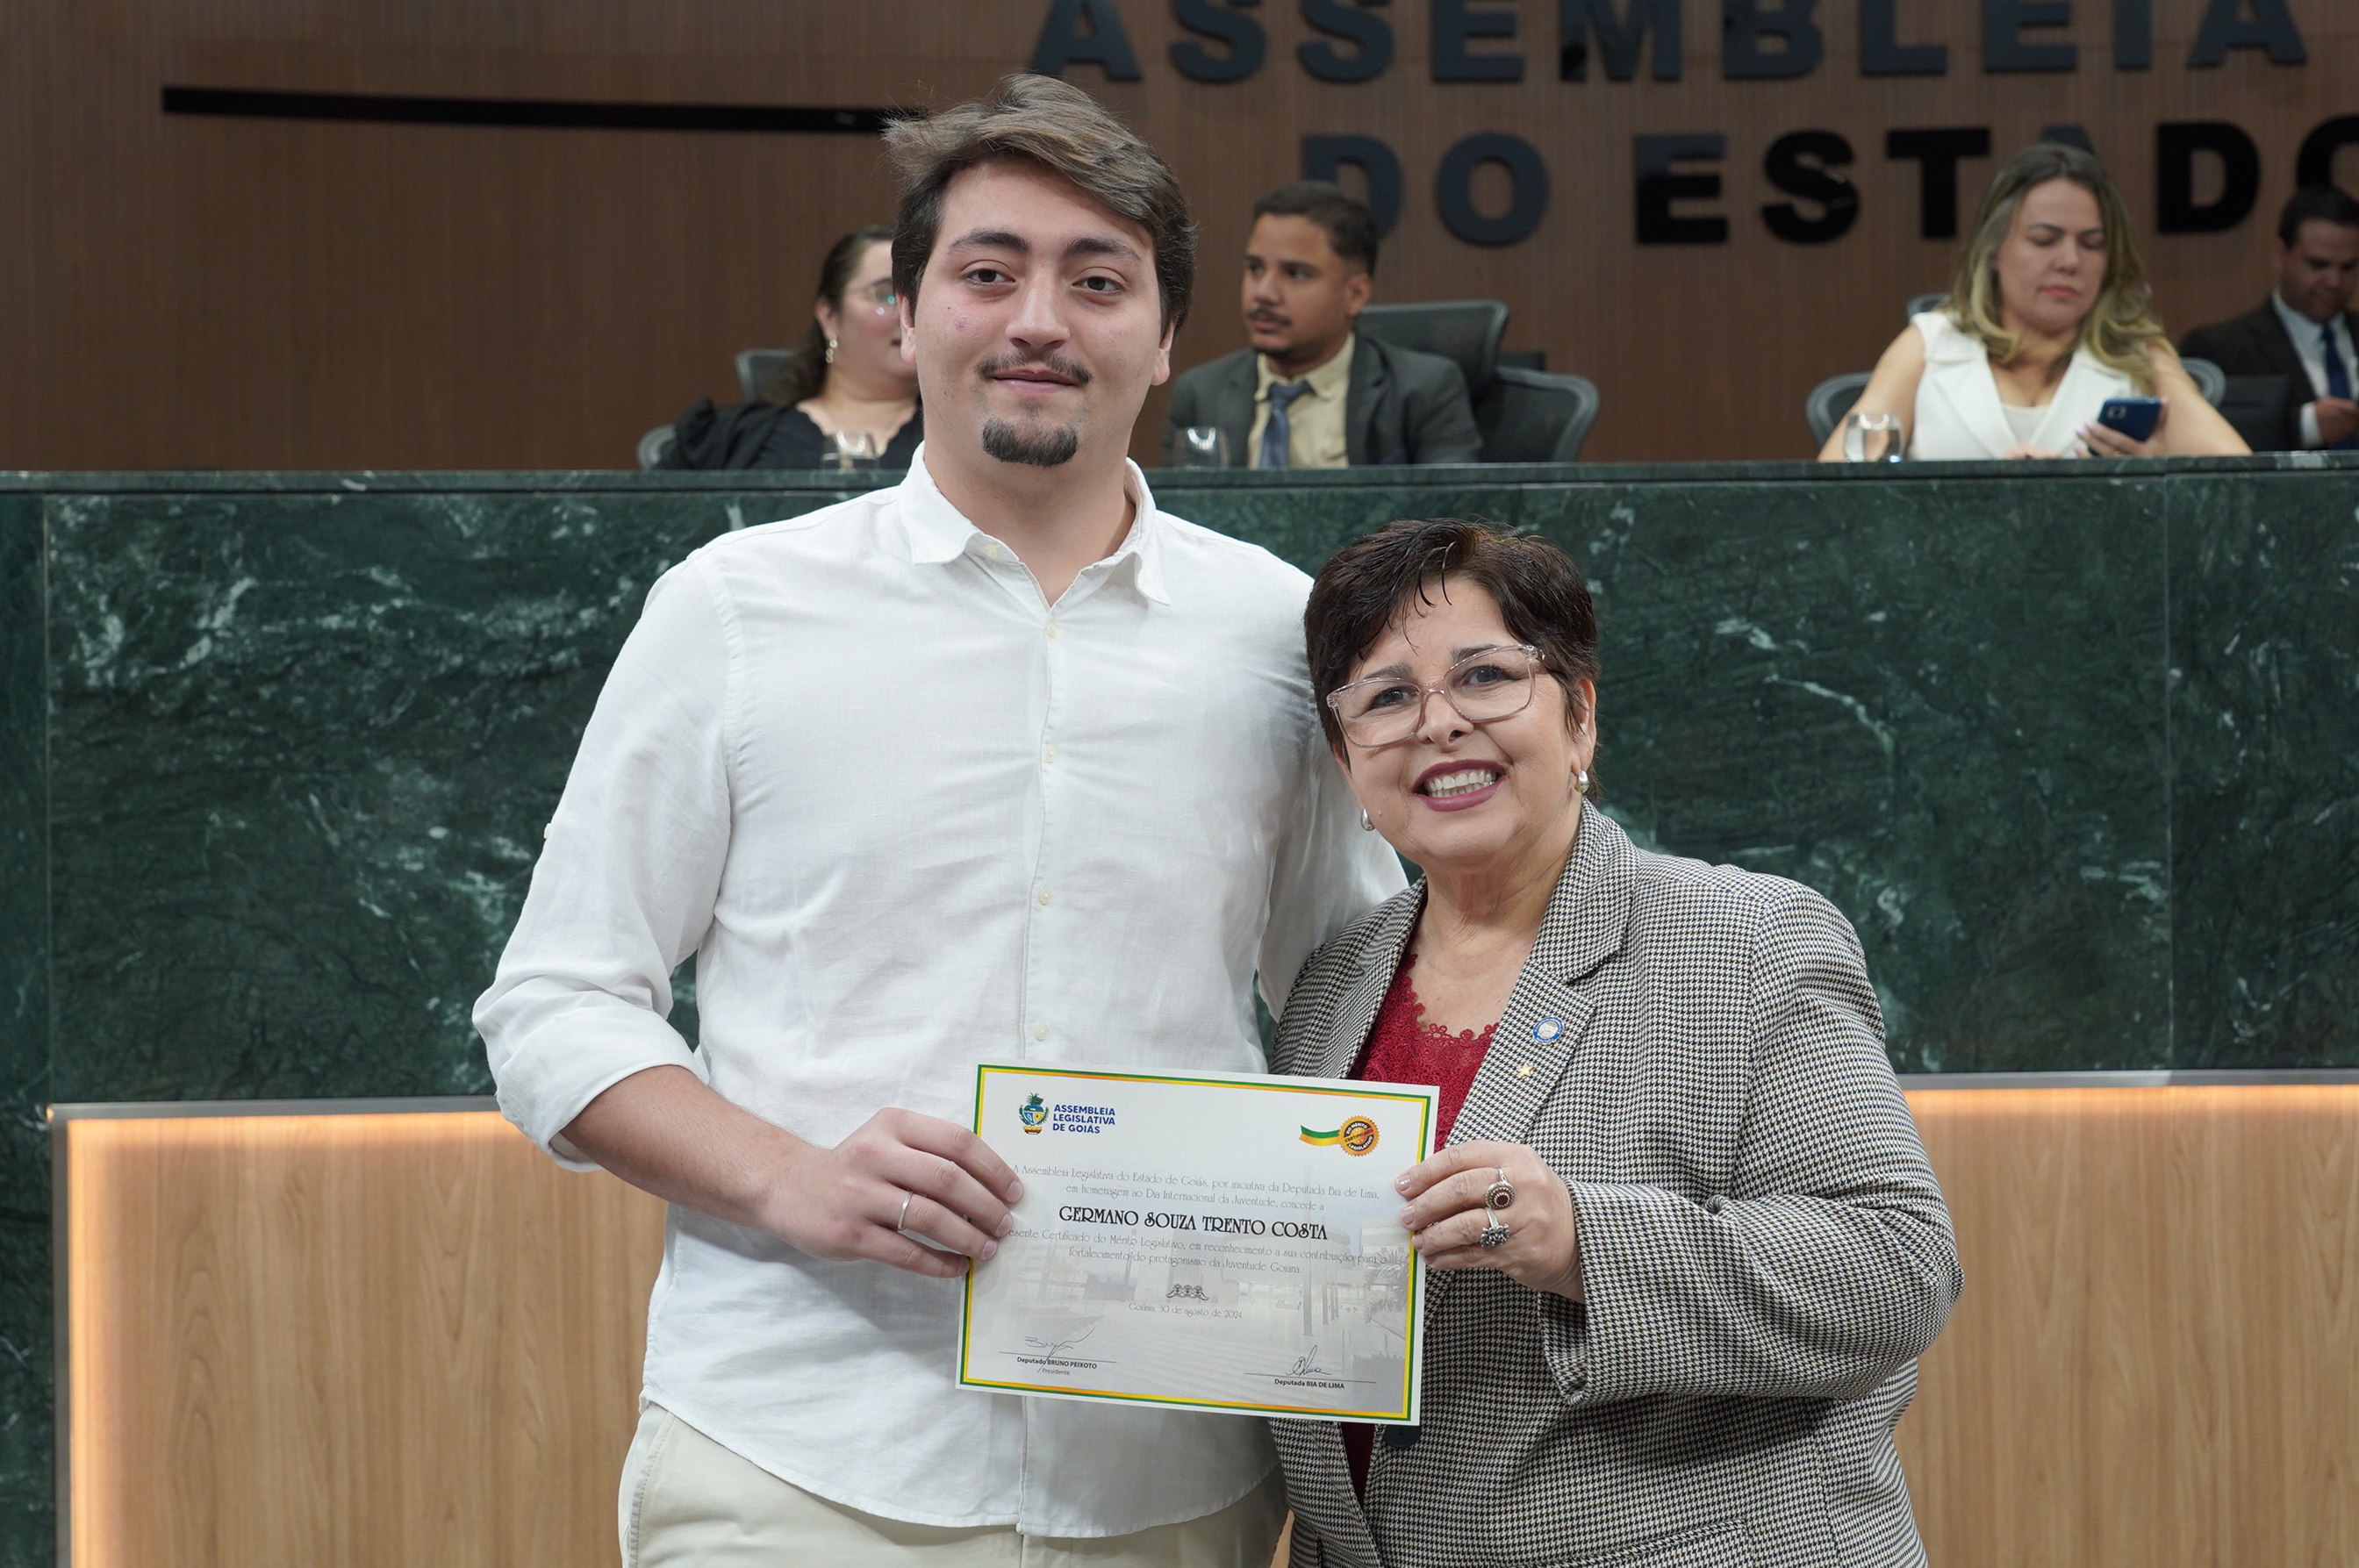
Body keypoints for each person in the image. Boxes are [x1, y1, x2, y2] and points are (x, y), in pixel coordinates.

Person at [477, 74, 1402, 1566]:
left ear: (1167, 336)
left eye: (1096, 281)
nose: (1038, 320)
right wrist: (791, 1175)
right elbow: (555, 1003)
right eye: (988, 272)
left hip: (1173, 1465)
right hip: (801, 1454)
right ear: (906, 315)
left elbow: (1352, 1002)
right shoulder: (735, 611)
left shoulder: (1272, 635)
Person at [1269, 518, 1963, 1568]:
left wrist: (1582, 1240)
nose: (1440, 722)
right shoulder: (1330, 983)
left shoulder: (1749, 940)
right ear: (1345, 755)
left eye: (1486, 676)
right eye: (1388, 696)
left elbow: (1896, 1268)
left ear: (1580, 716)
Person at [1822, 143, 2246, 461]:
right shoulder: (1930, 343)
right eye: (2044, 240)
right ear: (1993, 249)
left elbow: (2243, 483)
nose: (2069, 261)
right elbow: (1835, 490)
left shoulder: (2136, 353)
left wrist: (2155, 475)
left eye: (2092, 244)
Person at [1162, 182, 1481, 468]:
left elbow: (1451, 511)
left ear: (1355, 294)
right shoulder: (1201, 395)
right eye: (1255, 268)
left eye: (1296, 274)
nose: (1264, 293)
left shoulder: (1422, 391)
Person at [657, 225, 923, 469]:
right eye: (887, 295)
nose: (908, 313)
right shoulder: (731, 439)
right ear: (829, 316)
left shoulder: (947, 439)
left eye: (919, 296)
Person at [2180, 185, 2359, 451]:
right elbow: (2193, 440)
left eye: (2348, 267)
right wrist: (2305, 427)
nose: (2334, 281)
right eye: (2318, 264)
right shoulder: (2220, 349)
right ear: (2280, 255)